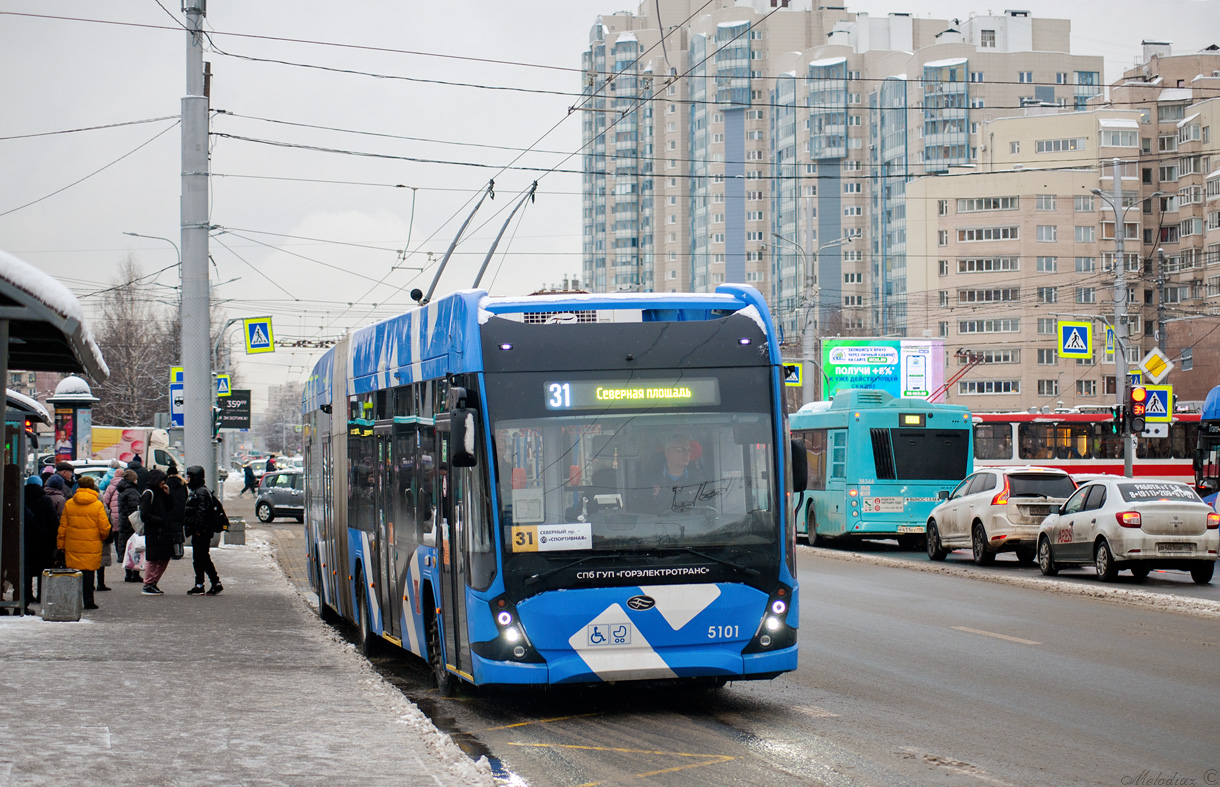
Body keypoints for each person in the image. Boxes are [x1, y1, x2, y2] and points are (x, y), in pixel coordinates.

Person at [56, 475, 112, 611]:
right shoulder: (98, 504)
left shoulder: (69, 503)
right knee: (88, 575)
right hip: (92, 545)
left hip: (73, 545)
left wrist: (61, 546)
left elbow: (62, 527)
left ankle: (73, 600)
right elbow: (104, 527)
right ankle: (88, 601)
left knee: (74, 574)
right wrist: (103, 538)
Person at [183, 465, 223, 596]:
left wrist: (198, 529)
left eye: (189, 476)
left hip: (202, 531)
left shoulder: (200, 492)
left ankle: (214, 582)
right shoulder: (198, 490)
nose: (187, 479)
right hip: (200, 530)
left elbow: (202, 512)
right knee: (199, 558)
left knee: (202, 558)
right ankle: (200, 584)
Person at [23, 475, 59, 607]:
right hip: (44, 539)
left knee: (27, 567)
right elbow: (53, 520)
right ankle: (40, 595)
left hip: (26, 538)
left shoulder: (22, 498)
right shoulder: (45, 500)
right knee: (42, 569)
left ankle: (27, 594)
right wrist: (54, 538)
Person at [137, 469, 175, 596]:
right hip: (154, 531)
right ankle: (148, 584)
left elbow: (170, 508)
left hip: (164, 531)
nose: (164, 482)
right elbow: (144, 514)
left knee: (165, 557)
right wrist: (160, 521)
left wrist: (168, 494)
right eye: (162, 480)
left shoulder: (161, 493)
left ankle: (153, 582)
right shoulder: (148, 493)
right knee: (153, 558)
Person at [111, 469, 142, 583]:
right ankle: (135, 573)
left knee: (126, 547)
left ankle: (128, 573)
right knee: (134, 547)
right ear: (133, 479)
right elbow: (134, 510)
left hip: (123, 521)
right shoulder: (132, 492)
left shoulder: (122, 490)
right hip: (131, 523)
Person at [165, 464, 188, 560]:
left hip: (170, 511)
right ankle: (180, 550)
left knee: (171, 532)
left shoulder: (166, 484)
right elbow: (186, 497)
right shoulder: (182, 483)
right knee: (179, 530)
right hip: (181, 511)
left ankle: (174, 552)